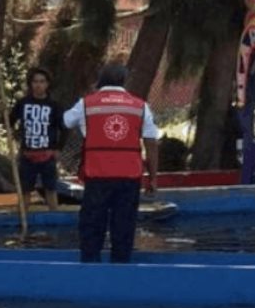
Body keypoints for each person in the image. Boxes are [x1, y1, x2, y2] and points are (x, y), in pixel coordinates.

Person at [64, 63, 159, 263]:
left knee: (92, 224)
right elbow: (151, 141)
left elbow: (65, 121)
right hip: (129, 176)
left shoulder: (87, 103)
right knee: (124, 225)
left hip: (97, 174)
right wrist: (153, 177)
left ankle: (90, 267)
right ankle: (120, 268)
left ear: (100, 81)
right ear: (124, 80)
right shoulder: (140, 106)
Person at [9, 67, 65, 210]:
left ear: (47, 84)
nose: (38, 85)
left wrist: (58, 148)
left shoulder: (54, 106)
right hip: (27, 154)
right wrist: (13, 136)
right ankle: (22, 217)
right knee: (25, 190)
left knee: (50, 189)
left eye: (42, 81)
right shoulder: (22, 103)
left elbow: (64, 129)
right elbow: (10, 121)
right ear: (31, 84)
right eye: (35, 81)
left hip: (47, 155)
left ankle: (54, 218)